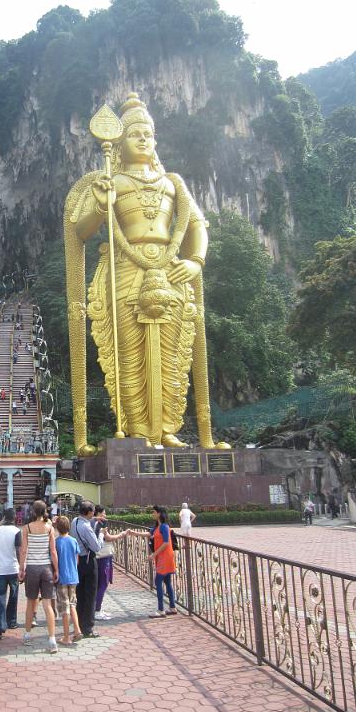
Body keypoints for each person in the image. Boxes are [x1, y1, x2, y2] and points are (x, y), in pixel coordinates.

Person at [64, 92, 230, 453]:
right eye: (134, 132)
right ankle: (138, 431)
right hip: (125, 270)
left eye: (148, 133)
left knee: (174, 353)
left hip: (171, 271)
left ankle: (169, 428)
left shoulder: (173, 183)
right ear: (120, 142)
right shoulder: (111, 182)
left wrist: (196, 261)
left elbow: (197, 225)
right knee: (129, 354)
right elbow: (80, 230)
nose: (142, 138)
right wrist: (99, 203)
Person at [19, 501, 59, 653]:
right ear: (45, 511)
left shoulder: (27, 528)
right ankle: (52, 640)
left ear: (34, 512)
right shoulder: (49, 528)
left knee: (30, 603)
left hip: (32, 568)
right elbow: (53, 552)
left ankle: (28, 635)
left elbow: (23, 550)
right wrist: (56, 569)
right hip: (46, 568)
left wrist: (22, 568)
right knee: (47, 605)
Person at [129, 505, 177, 618]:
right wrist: (133, 533)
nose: (152, 514)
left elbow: (166, 542)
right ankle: (172, 607)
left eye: (154, 512)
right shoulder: (157, 527)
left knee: (158, 581)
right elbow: (148, 534)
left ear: (159, 513)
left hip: (165, 557)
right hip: (161, 557)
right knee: (167, 581)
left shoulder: (164, 527)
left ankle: (161, 609)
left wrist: (153, 554)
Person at [70, 500, 102, 637]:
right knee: (90, 595)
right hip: (88, 561)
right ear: (89, 512)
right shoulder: (87, 528)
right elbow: (97, 547)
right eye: (93, 511)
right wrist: (100, 535)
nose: (94, 513)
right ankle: (88, 628)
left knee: (80, 594)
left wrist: (95, 519)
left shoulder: (75, 521)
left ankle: (78, 624)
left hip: (77, 561)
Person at [92, 505, 128, 620]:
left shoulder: (90, 523)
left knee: (98, 584)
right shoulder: (101, 523)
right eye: (103, 513)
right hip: (103, 555)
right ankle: (97, 610)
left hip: (96, 556)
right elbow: (108, 538)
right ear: (98, 513)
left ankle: (97, 609)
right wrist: (121, 535)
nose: (105, 516)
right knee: (103, 583)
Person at [53, 516, 83, 645]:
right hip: (73, 577)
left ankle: (66, 637)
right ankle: (77, 630)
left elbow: (54, 560)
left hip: (62, 578)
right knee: (72, 605)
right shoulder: (73, 541)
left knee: (64, 608)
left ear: (57, 528)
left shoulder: (56, 542)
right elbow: (77, 560)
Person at [0, 508, 21, 639]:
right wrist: (21, 567)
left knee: (0, 598)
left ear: (4, 518)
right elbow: (18, 550)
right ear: (14, 518)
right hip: (13, 567)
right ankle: (11, 621)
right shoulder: (16, 531)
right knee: (14, 596)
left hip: (0, 569)